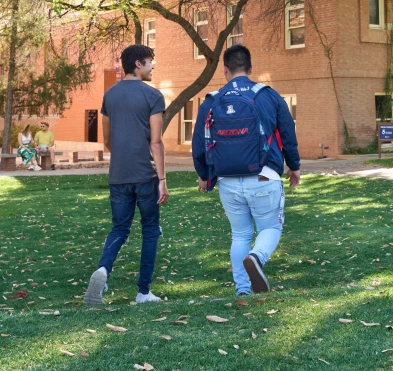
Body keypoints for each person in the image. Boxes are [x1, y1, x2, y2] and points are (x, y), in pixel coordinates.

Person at [192, 44, 300, 296]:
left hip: (227, 179)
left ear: (225, 71)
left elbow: (199, 143)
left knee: (239, 233)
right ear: (251, 68)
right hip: (264, 175)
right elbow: (288, 134)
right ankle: (257, 257)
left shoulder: (212, 100)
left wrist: (205, 176)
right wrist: (294, 166)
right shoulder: (268, 95)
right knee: (270, 228)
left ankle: (243, 289)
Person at [83, 44, 169, 307]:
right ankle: (143, 292)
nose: (153, 66)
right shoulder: (153, 96)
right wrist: (163, 180)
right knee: (150, 229)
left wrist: (122, 156)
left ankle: (103, 270)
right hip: (145, 175)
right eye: (150, 62)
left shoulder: (109, 95)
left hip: (118, 175)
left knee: (120, 227)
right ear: (138, 64)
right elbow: (156, 142)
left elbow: (106, 139)